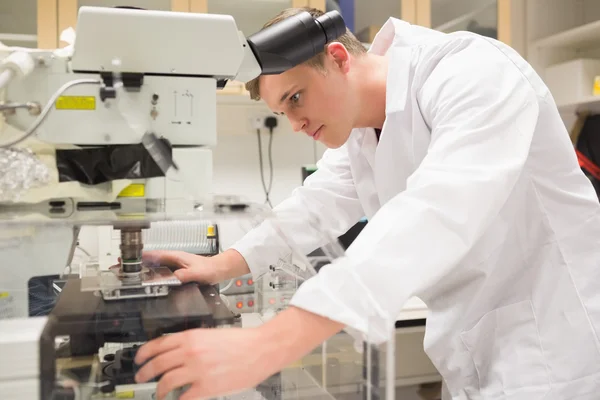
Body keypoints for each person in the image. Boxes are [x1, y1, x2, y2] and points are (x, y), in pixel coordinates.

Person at [133, 7, 600, 400]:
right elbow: (313, 206)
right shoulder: (361, 131)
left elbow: (436, 211)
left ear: (337, 58)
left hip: (557, 347)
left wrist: (272, 343)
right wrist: (223, 264)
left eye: (296, 98)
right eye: (282, 112)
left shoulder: (471, 71)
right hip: (477, 346)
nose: (294, 122)